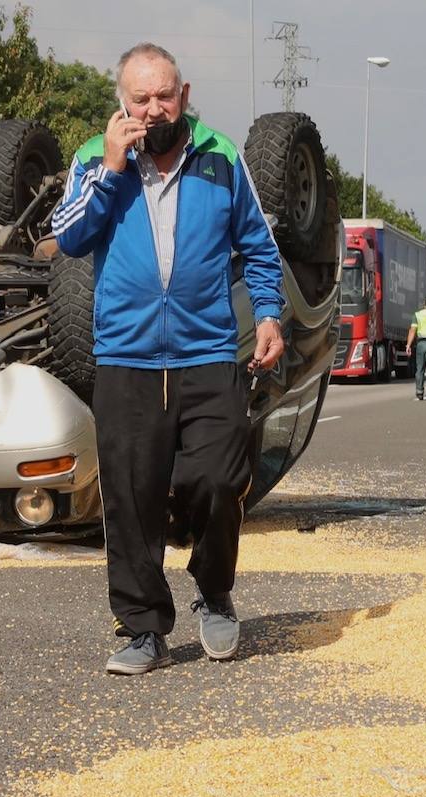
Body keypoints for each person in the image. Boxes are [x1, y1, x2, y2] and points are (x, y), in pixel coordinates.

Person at [52, 43, 285, 675]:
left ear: (184, 94)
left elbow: (260, 249)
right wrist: (110, 165)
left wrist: (267, 314)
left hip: (207, 354)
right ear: (122, 103)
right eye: (139, 99)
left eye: (164, 96)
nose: (153, 109)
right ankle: (141, 628)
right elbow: (68, 235)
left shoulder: (221, 158)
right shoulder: (93, 161)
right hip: (126, 359)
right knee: (130, 497)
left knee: (213, 480)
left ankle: (214, 593)